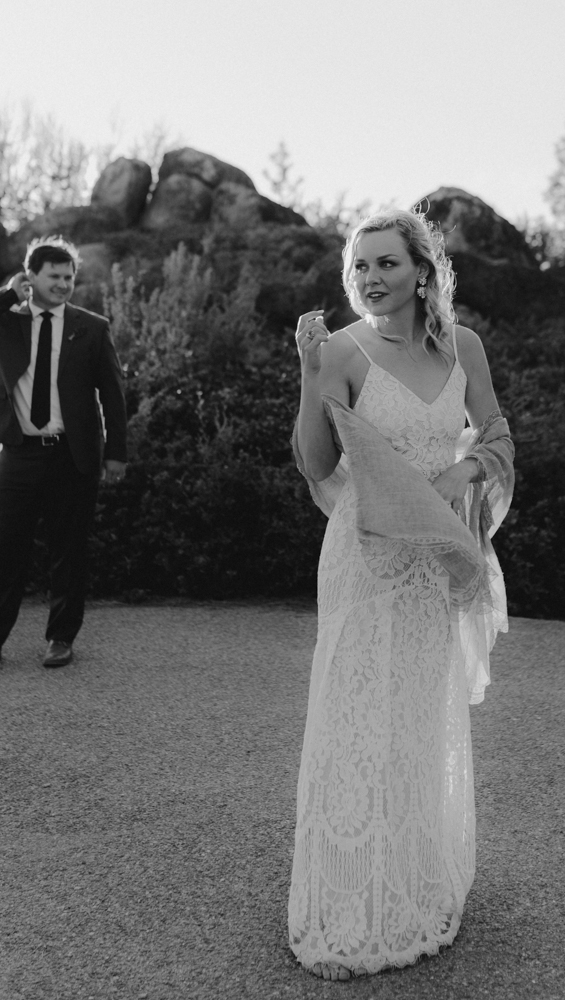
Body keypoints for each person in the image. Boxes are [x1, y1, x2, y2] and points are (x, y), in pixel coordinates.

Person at [288, 209, 514, 979]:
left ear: (421, 271)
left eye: (384, 264)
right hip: (364, 556)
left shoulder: (464, 348)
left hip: (434, 556)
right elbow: (315, 463)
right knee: (354, 712)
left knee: (416, 713)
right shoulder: (343, 350)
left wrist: (463, 472)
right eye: (358, 268)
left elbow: (497, 434)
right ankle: (348, 892)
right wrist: (308, 374)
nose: (369, 279)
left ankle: (412, 881)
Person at [0, 236, 127, 674]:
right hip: (18, 455)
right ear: (32, 277)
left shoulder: (91, 327)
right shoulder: (5, 323)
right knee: (4, 549)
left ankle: (60, 639)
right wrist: (8, 294)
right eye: (55, 277)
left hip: (73, 456)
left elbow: (114, 395)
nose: (65, 284)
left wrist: (116, 453)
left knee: (69, 551)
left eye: (69, 277)